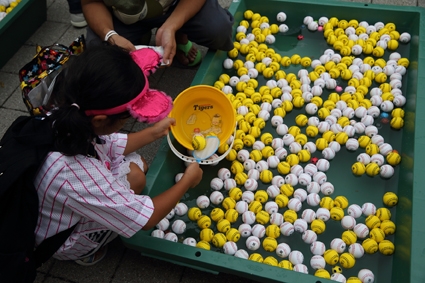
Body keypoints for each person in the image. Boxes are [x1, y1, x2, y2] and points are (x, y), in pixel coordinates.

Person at [34, 44, 203, 265]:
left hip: (52, 207)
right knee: (136, 179)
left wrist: (153, 133)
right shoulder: (76, 173)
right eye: (127, 118)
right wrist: (188, 181)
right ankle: (84, 253)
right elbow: (148, 219)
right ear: (100, 121)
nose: (128, 122)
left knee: (137, 170)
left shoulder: (67, 114)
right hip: (60, 239)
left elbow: (108, 143)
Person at [81, 0, 234, 67]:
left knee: (217, 29)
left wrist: (172, 26)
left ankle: (180, 34)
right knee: (99, 56)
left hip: (175, 6)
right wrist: (110, 35)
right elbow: (91, 2)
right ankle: (139, 36)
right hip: (122, 16)